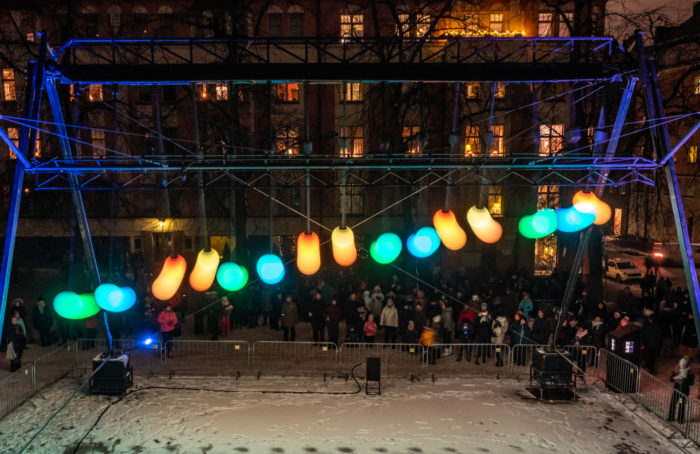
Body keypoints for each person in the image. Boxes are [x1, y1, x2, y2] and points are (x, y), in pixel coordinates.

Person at [669, 356, 694, 423]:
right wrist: (675, 377)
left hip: (684, 392)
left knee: (681, 404)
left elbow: (691, 383)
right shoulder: (677, 370)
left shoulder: (689, 373)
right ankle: (671, 417)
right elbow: (671, 379)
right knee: (673, 403)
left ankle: (680, 419)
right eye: (681, 365)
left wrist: (685, 380)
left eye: (683, 365)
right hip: (676, 390)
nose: (681, 366)